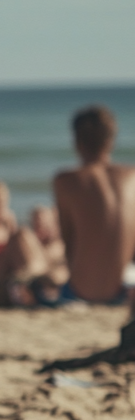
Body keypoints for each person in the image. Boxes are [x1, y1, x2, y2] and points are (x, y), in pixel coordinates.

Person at [52, 106, 135, 305]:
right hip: (125, 290)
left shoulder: (65, 181)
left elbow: (69, 244)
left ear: (77, 142)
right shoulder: (132, 177)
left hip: (81, 290)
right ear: (111, 141)